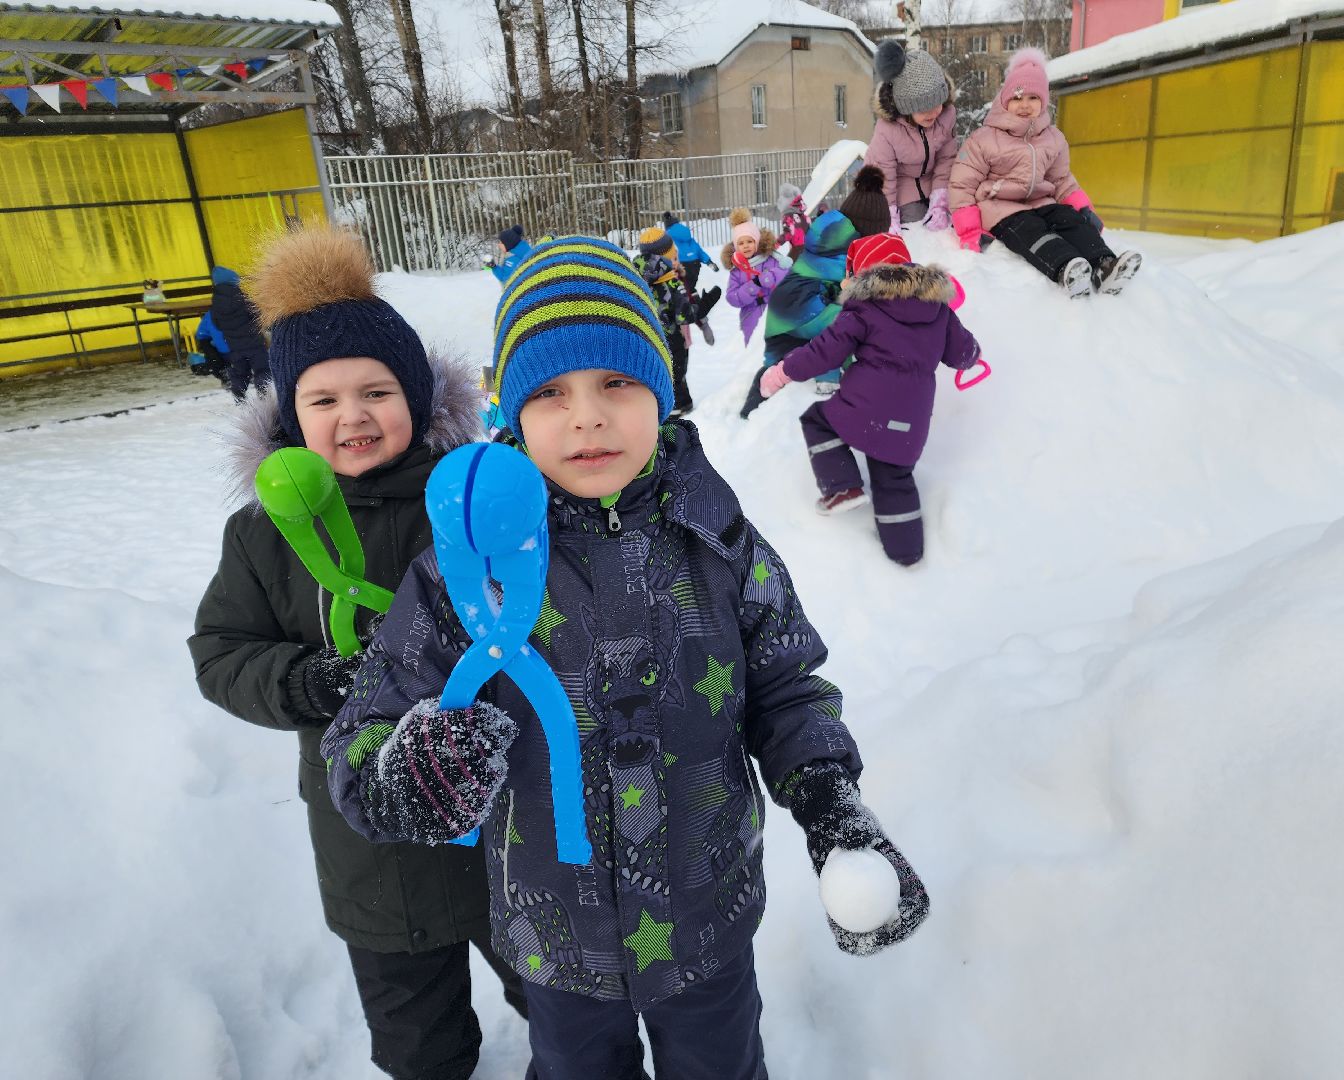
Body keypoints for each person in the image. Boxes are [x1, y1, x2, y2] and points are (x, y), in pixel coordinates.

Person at [319, 236, 930, 1080]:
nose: (587, 416)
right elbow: (365, 725)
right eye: (551, 393)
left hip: (706, 915)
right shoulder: (468, 570)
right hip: (554, 933)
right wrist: (402, 777)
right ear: (511, 414)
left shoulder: (716, 537)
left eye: (616, 382)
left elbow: (787, 687)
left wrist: (831, 805)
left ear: (662, 389)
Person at [188, 227, 528, 1080]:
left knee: (556, 998)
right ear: (290, 413)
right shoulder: (264, 536)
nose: (353, 417)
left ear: (418, 396)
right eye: (324, 399)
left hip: (504, 820)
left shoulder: (466, 500)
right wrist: (307, 683)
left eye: (376, 391)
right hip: (368, 842)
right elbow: (220, 652)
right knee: (419, 1041)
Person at [758, 233, 981, 566]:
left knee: (818, 420)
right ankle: (906, 553)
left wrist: (784, 371)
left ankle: (842, 488)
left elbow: (823, 353)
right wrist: (974, 357)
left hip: (865, 407)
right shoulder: (938, 309)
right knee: (895, 476)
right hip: (913, 419)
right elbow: (963, 352)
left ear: (865, 272)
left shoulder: (864, 308)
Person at [949, 49, 1143, 298]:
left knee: (1070, 220)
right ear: (1005, 100)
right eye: (1018, 97)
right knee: (1030, 231)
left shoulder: (1053, 139)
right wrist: (968, 229)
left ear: (1043, 101)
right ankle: (1067, 268)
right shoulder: (984, 139)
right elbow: (962, 184)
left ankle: (1104, 265)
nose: (1025, 105)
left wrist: (1084, 210)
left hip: (1042, 202)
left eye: (1033, 97)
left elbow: (1061, 180)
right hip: (1002, 209)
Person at [738, 164, 892, 419]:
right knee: (850, 319)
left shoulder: (832, 233)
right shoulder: (846, 251)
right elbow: (853, 296)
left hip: (786, 308)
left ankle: (750, 411)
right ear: (869, 230)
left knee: (778, 358)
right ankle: (828, 379)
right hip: (804, 307)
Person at [864, 39, 958, 233]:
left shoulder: (946, 117)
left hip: (932, 182)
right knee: (916, 225)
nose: (933, 113)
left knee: (951, 220)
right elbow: (884, 175)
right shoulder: (888, 130)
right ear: (907, 108)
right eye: (924, 108)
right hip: (897, 187)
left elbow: (946, 159)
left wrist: (940, 198)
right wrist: (887, 214)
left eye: (937, 103)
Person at [635, 226, 718, 416]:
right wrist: (703, 307)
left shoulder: (640, 281)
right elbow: (684, 315)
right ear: (662, 260)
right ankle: (675, 406)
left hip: (654, 338)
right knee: (677, 371)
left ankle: (683, 401)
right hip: (674, 336)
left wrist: (702, 322)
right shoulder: (670, 283)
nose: (676, 261)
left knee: (671, 370)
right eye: (673, 258)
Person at [722, 206, 789, 347]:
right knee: (752, 354)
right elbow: (732, 297)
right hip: (750, 317)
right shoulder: (737, 270)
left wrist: (771, 275)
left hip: (774, 312)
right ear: (736, 247)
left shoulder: (770, 259)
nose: (746, 246)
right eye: (741, 243)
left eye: (750, 241)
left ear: (757, 242)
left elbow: (787, 273)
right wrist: (753, 286)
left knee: (777, 349)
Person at [207, 264, 271, 400]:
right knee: (262, 370)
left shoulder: (215, 304)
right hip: (254, 344)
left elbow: (217, 324)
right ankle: (264, 395)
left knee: (240, 372)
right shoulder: (242, 298)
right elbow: (257, 314)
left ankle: (238, 394)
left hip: (234, 347)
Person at [661, 210, 723, 315]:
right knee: (690, 286)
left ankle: (692, 309)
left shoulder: (668, 236)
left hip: (682, 265)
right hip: (695, 264)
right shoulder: (687, 234)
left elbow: (668, 252)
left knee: (683, 289)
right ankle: (697, 304)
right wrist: (709, 262)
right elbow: (698, 250)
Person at [775, 183, 810, 260]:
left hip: (797, 249)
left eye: (782, 197)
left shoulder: (788, 217)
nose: (779, 200)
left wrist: (777, 243)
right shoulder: (803, 215)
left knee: (789, 267)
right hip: (808, 249)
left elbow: (789, 232)